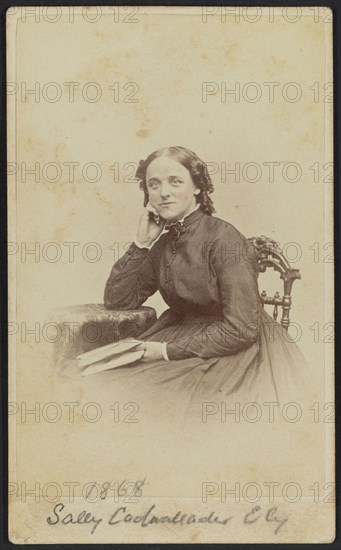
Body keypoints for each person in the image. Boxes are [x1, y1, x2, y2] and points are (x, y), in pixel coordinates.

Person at [103, 146, 310, 410]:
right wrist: (141, 244)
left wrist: (166, 351)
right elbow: (118, 300)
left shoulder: (223, 239)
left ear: (198, 187)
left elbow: (242, 329)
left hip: (235, 351)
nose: (163, 192)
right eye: (153, 184)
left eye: (175, 182)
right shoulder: (164, 242)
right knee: (108, 384)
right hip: (182, 336)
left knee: (144, 399)